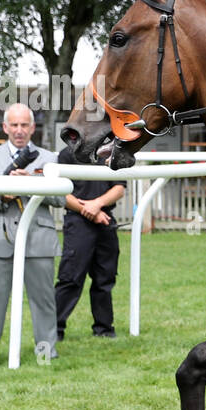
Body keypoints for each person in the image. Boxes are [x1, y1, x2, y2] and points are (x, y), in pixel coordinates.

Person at [0, 104, 64, 364]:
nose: (19, 131)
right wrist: (1, 194)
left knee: (43, 300)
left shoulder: (49, 158)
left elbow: (61, 198)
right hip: (0, 238)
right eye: (14, 125)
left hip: (39, 239)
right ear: (5, 127)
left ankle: (46, 353)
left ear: (33, 128)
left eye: (24, 125)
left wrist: (32, 185)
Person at [54, 146, 125, 341]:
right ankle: (54, 329)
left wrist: (97, 205)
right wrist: (90, 211)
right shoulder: (67, 154)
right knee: (71, 278)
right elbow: (61, 192)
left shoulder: (112, 152)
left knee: (105, 278)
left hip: (105, 219)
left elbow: (119, 188)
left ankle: (104, 329)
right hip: (77, 221)